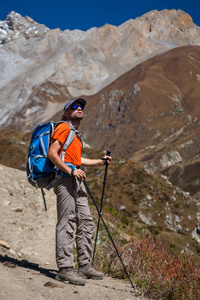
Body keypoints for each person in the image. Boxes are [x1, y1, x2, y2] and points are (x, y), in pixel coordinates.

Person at [48, 97, 112, 286]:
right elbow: (52, 153)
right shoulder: (64, 128)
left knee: (85, 221)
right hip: (65, 180)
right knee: (66, 223)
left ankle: (85, 265)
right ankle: (65, 269)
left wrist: (99, 162)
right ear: (66, 113)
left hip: (76, 181)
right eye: (74, 107)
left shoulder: (75, 133)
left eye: (81, 107)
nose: (79, 108)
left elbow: (76, 159)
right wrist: (70, 171)